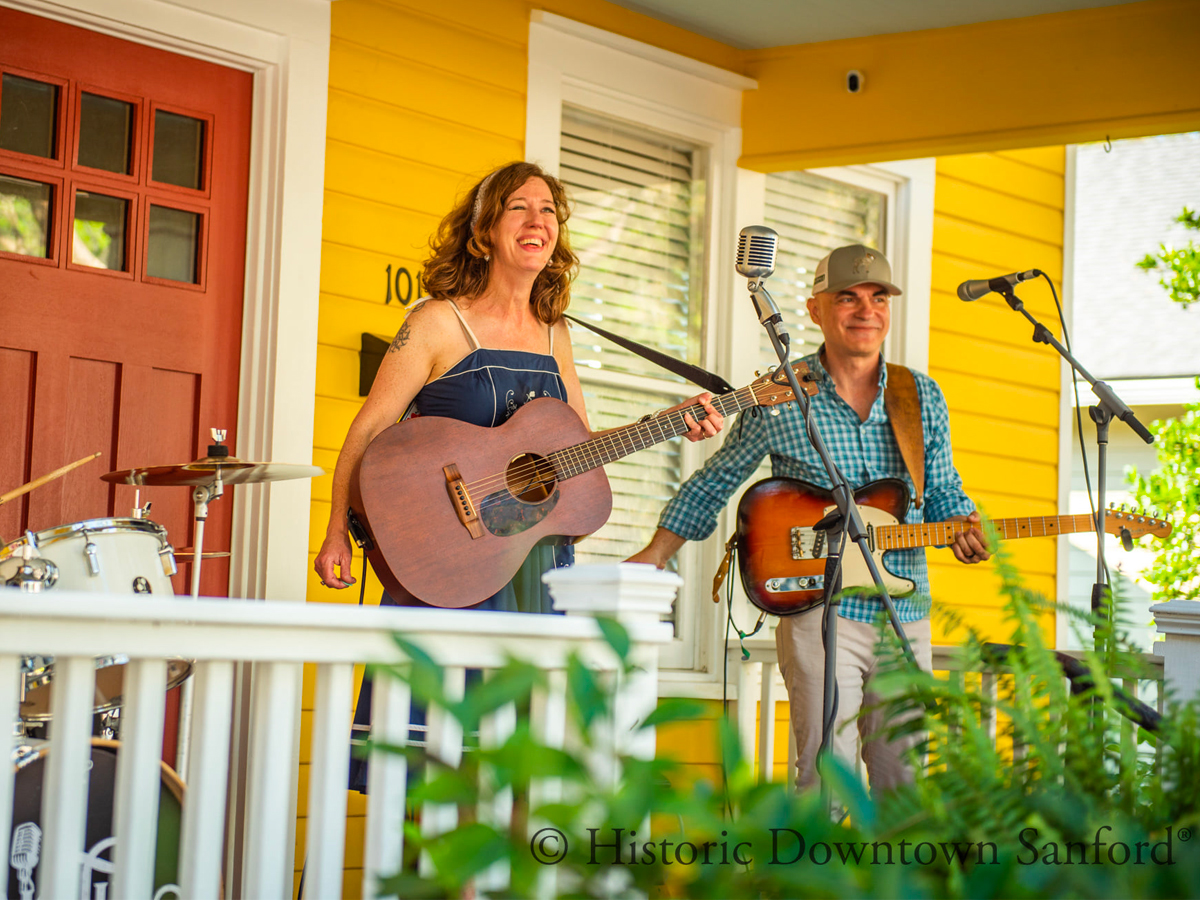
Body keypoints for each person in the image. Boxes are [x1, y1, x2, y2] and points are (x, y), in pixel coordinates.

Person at [312, 161, 723, 789]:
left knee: (513, 779)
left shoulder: (556, 333)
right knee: (426, 775)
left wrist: (670, 421)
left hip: (532, 572)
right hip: (441, 565)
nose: (538, 222)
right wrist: (338, 526)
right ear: (483, 230)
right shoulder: (437, 321)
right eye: (519, 209)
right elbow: (368, 430)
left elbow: (576, 451)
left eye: (550, 211)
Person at [628, 243, 990, 793]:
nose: (866, 309)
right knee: (827, 774)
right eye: (847, 297)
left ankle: (900, 881)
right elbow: (717, 480)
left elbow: (940, 490)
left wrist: (964, 523)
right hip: (819, 608)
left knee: (908, 779)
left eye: (878, 297)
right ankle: (815, 878)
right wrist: (655, 556)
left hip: (904, 611)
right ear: (816, 309)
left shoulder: (921, 395)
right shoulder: (779, 392)